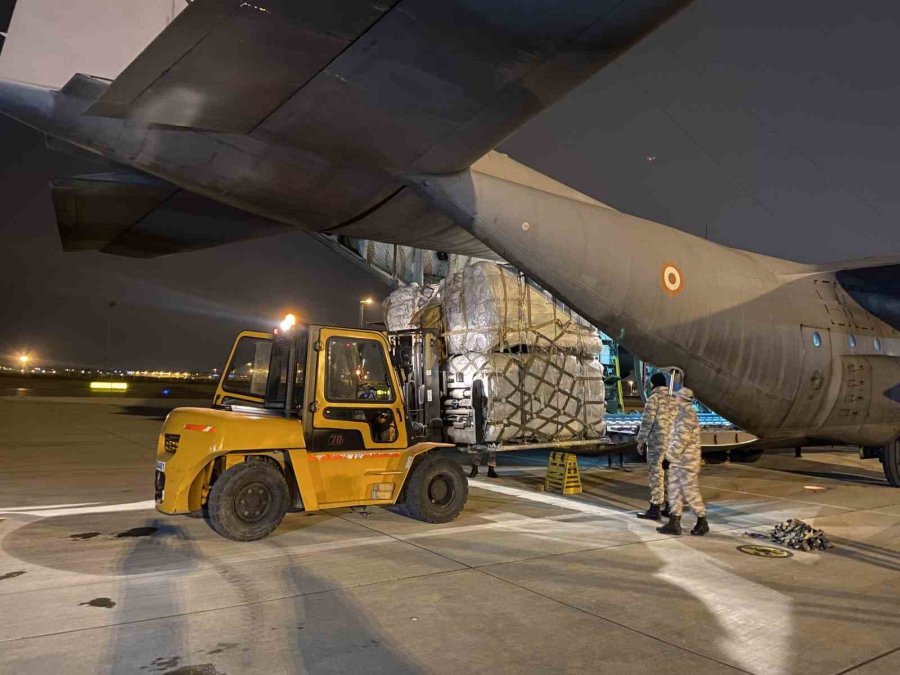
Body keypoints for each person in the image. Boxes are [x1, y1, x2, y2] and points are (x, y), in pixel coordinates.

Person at [657, 387, 709, 536]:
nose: (674, 399)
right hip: (679, 462)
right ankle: (674, 522)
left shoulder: (686, 415)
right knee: (674, 492)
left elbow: (681, 440)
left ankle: (702, 521)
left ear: (683, 399)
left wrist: (669, 458)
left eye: (676, 397)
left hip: (687, 462)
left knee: (690, 492)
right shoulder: (681, 413)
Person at [634, 372, 676, 520]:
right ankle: (670, 508)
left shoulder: (654, 399)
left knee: (656, 474)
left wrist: (641, 441)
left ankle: (655, 509)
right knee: (670, 474)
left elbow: (647, 422)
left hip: (658, 443)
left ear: (653, 384)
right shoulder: (674, 399)